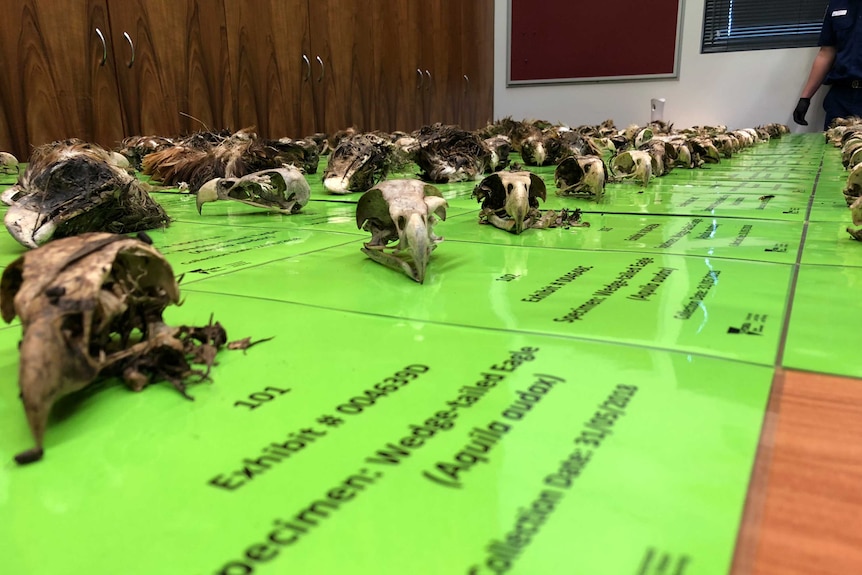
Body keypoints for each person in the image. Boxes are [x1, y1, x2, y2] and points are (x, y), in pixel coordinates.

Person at [794, 1, 862, 129]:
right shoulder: (836, 5)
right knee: (833, 147)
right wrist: (805, 98)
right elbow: (826, 53)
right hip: (841, 97)